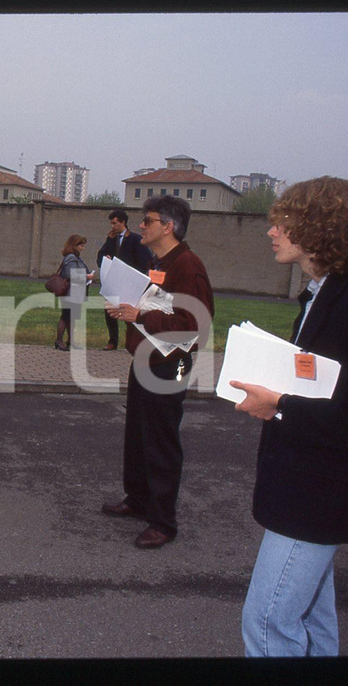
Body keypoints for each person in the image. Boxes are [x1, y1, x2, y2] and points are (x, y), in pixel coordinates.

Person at [229, 177, 348, 657]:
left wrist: (278, 405)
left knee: (270, 622)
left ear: (321, 228)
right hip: (309, 484)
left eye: (283, 221)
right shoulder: (328, 290)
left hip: (321, 491)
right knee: (313, 615)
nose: (271, 231)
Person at [102, 195, 213, 549]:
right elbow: (156, 302)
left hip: (169, 364)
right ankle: (138, 498)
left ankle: (163, 521)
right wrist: (130, 307)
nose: (141, 226)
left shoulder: (188, 265)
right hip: (147, 357)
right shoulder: (158, 260)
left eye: (148, 221)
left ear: (168, 226)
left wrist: (142, 316)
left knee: (161, 440)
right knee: (138, 433)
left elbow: (195, 323)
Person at [96, 209, 152, 350]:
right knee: (110, 312)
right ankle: (112, 341)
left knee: (129, 312)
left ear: (123, 222)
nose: (113, 226)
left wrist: (132, 273)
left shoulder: (134, 239)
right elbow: (101, 255)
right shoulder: (111, 238)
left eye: (115, 223)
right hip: (114, 282)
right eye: (111, 223)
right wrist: (105, 258)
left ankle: (133, 341)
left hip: (130, 282)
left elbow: (146, 260)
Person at [53, 234, 96, 351]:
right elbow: (70, 273)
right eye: (81, 245)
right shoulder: (71, 257)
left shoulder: (76, 257)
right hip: (69, 292)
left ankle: (70, 340)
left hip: (76, 292)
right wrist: (86, 276)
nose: (83, 248)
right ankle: (59, 340)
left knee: (72, 317)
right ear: (74, 245)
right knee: (66, 316)